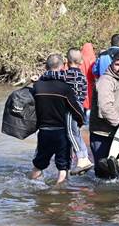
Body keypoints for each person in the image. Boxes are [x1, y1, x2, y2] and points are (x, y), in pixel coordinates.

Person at [30, 54, 84, 184]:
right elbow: (75, 109)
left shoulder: (37, 86)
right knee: (63, 167)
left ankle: (32, 187)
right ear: (63, 66)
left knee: (39, 164)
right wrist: (81, 122)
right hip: (61, 133)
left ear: (45, 66)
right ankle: (59, 192)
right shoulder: (65, 88)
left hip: (43, 132)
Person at [41, 49, 93, 175]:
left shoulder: (69, 74)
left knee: (70, 132)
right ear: (81, 61)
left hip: (71, 108)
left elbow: (52, 75)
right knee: (76, 133)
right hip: (80, 107)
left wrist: (42, 76)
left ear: (67, 62)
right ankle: (85, 157)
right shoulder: (81, 75)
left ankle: (81, 159)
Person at [89, 51, 119, 178]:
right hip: (101, 133)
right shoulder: (105, 81)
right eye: (118, 64)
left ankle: (115, 197)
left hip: (117, 133)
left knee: (116, 172)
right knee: (102, 174)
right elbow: (105, 107)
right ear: (112, 63)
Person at [79, 43, 96, 123]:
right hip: (89, 87)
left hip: (79, 87)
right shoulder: (92, 60)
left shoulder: (78, 60)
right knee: (89, 109)